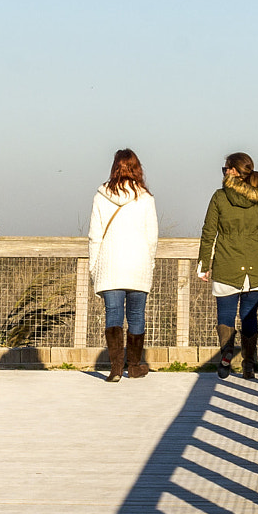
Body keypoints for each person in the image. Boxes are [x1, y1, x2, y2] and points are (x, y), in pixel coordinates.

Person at [197, 152, 258, 380]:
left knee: (226, 314)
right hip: (255, 267)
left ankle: (226, 357)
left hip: (226, 265)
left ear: (233, 171)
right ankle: (249, 364)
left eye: (225, 169)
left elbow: (208, 233)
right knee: (249, 316)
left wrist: (204, 264)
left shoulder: (219, 197)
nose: (224, 173)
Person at [88, 149, 159, 383]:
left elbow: (95, 237)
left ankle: (116, 368)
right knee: (137, 315)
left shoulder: (101, 196)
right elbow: (152, 238)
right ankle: (135, 366)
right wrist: (149, 263)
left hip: (110, 266)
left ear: (115, 167)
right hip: (138, 265)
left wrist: (93, 267)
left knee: (114, 316)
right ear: (137, 168)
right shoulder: (146, 199)